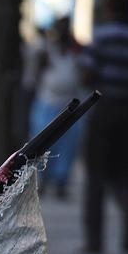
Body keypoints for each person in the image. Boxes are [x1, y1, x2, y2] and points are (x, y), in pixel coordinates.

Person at [79, 0, 128, 253]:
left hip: (105, 110)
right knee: (124, 174)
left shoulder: (101, 37)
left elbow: (87, 76)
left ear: (109, 9)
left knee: (96, 174)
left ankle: (94, 240)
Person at [29, 16, 83, 198]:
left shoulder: (75, 52)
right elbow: (35, 75)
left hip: (68, 105)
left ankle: (61, 182)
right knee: (43, 144)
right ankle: (42, 181)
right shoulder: (46, 51)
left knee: (66, 147)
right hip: (47, 103)